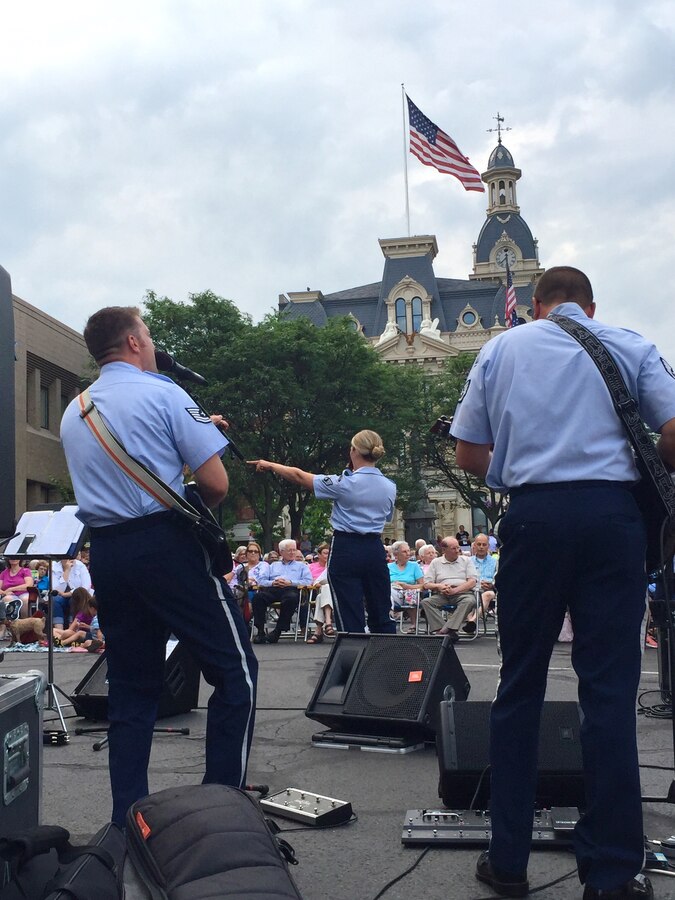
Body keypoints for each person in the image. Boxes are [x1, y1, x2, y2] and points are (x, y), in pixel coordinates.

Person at [450, 266, 675, 900]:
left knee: (518, 687)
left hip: (535, 519)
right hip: (612, 519)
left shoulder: (502, 348)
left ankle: (509, 860)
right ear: (590, 306)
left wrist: (523, 465)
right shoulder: (628, 344)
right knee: (609, 696)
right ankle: (609, 875)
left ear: (538, 307)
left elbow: (469, 452)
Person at [60, 305, 257, 829]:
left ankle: (129, 820)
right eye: (147, 333)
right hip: (164, 547)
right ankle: (225, 813)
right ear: (131, 341)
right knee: (236, 673)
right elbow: (216, 487)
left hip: (108, 552)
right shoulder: (166, 392)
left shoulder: (75, 409)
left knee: (131, 686)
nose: (150, 342)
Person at [249, 430, 397, 634]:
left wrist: (271, 465)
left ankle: (352, 658)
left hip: (347, 546)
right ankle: (388, 659)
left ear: (353, 450)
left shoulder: (345, 483)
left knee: (349, 612)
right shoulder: (390, 486)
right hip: (374, 547)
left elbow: (299, 476)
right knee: (380, 609)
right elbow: (387, 517)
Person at [251, 539, 312, 643]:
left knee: (291, 599)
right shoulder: (273, 565)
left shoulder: (302, 566)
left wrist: (290, 582)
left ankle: (278, 631)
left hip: (292, 589)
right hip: (274, 588)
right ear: (281, 552)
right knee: (258, 597)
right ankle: (260, 631)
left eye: (294, 550)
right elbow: (261, 580)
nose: (293, 552)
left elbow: (308, 581)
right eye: (289, 550)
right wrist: (273, 583)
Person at [421, 538, 477, 641]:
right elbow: (426, 584)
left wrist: (455, 590)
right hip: (442, 594)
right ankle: (446, 630)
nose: (457, 551)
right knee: (426, 602)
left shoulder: (466, 560)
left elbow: (472, 581)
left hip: (462, 593)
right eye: (453, 548)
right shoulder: (436, 562)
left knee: (469, 601)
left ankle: (445, 630)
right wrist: (439, 587)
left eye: (458, 548)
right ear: (444, 550)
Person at [388, 540, 424, 632]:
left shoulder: (414, 566)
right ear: (396, 555)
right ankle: (390, 616)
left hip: (410, 592)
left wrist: (406, 586)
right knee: (387, 591)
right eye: (404, 551)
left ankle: (411, 624)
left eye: (408, 551)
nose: (408, 554)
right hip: (393, 593)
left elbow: (423, 585)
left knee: (410, 594)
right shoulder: (389, 567)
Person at [306, 542, 335, 643]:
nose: (328, 556)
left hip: (336, 596)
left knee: (324, 590)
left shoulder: (333, 566)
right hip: (315, 591)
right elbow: (310, 581)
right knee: (322, 591)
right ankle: (328, 623)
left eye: (329, 553)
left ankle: (319, 631)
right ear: (319, 555)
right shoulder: (311, 567)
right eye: (325, 553)